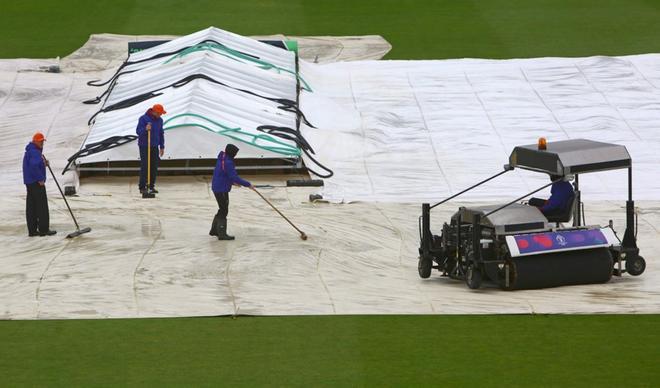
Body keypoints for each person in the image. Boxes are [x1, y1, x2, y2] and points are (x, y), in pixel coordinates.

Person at [210, 144, 254, 240]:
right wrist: (247, 184)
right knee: (224, 209)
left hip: (218, 186)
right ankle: (221, 233)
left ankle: (214, 230)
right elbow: (234, 176)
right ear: (232, 153)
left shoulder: (222, 158)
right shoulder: (228, 162)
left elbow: (223, 174)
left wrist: (232, 183)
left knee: (222, 208)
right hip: (221, 189)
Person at [22, 132, 56, 236]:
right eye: (40, 141)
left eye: (43, 141)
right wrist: (40, 178)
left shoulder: (30, 151)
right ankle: (43, 229)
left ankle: (32, 230)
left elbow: (34, 164)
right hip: (37, 183)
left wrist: (43, 163)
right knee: (42, 206)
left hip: (29, 182)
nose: (42, 143)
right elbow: (34, 166)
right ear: (35, 141)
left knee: (31, 207)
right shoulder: (34, 152)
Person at [136, 103, 166, 194]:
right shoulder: (143, 119)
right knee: (145, 165)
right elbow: (138, 132)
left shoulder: (160, 120)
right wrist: (145, 129)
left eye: (161, 113)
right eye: (159, 113)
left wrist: (162, 146)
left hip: (154, 146)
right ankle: (142, 187)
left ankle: (151, 186)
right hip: (144, 145)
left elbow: (161, 133)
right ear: (154, 112)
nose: (160, 115)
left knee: (154, 166)